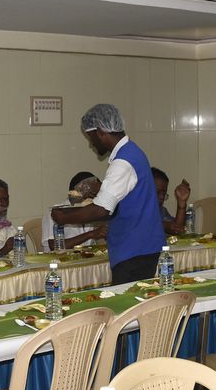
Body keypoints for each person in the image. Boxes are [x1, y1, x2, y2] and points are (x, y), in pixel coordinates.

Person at [51, 104, 164, 284]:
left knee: (128, 309)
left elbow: (101, 210)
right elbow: (126, 199)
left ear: (101, 132)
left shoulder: (122, 162)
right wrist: (101, 189)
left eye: (90, 137)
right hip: (142, 247)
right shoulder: (133, 152)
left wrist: (64, 217)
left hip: (134, 251)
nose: (91, 144)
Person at [41, 171, 108, 251]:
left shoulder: (91, 210)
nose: (95, 198)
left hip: (84, 259)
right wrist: (90, 234)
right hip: (58, 261)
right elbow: (53, 246)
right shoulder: (55, 212)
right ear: (75, 193)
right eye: (92, 194)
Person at [151, 167, 192, 235]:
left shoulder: (162, 211)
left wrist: (181, 203)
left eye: (164, 194)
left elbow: (177, 230)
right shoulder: (134, 208)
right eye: (157, 192)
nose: (162, 197)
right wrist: (163, 226)